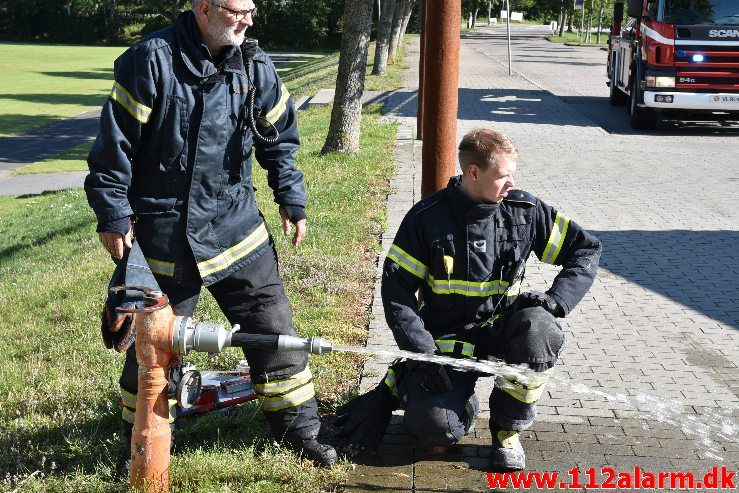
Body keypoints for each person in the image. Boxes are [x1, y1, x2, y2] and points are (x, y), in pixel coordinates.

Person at [85, 0, 337, 467]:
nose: (248, 19)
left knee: (273, 333)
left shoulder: (256, 67)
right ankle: (138, 438)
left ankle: (300, 432)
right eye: (238, 10)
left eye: (252, 10)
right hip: (165, 238)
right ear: (204, 7)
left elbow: (280, 139)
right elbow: (114, 145)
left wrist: (291, 197)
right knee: (155, 345)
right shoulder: (150, 60)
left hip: (237, 233)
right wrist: (112, 213)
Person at [336, 128, 602, 471]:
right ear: (473, 172)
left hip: (500, 330)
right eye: (502, 177)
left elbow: (586, 248)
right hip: (444, 342)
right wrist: (422, 355)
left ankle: (507, 430)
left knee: (541, 329)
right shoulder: (427, 219)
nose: (510, 185)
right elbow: (396, 292)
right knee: (433, 428)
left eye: (512, 177)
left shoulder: (524, 211)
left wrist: (557, 299)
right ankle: (416, 390)